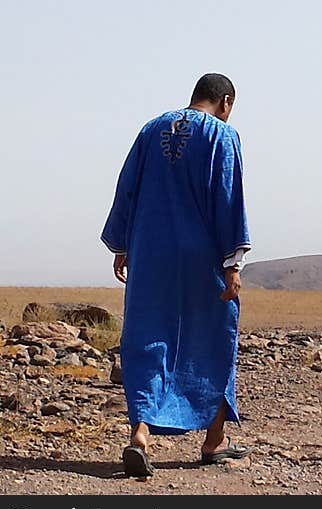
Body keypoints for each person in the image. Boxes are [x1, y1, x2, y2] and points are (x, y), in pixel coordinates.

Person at [101, 73, 253, 477]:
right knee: (216, 334)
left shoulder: (151, 129)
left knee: (149, 336)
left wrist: (122, 245)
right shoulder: (221, 136)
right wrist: (232, 263)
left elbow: (127, 188)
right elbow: (228, 197)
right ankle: (214, 440)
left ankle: (140, 435)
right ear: (225, 103)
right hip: (200, 255)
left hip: (150, 251)